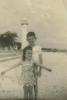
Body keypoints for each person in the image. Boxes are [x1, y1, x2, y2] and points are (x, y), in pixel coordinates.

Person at [24, 31, 43, 100]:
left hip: (35, 68)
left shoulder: (38, 47)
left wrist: (40, 70)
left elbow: (41, 60)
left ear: (35, 38)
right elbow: (24, 58)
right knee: (28, 85)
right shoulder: (26, 48)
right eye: (29, 39)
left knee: (35, 84)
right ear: (27, 40)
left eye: (32, 39)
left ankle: (36, 97)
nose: (30, 41)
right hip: (28, 68)